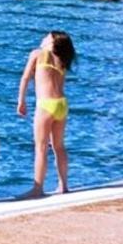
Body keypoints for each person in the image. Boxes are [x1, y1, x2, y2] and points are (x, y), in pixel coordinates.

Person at [16, 31, 77, 198]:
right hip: (62, 105)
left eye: (47, 36)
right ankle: (63, 185)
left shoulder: (37, 54)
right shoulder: (63, 59)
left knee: (41, 147)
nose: (43, 38)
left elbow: (25, 78)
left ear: (52, 42)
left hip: (46, 105)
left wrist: (21, 100)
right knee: (59, 147)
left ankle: (38, 189)